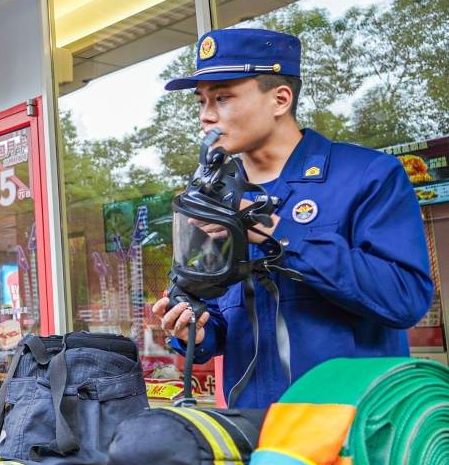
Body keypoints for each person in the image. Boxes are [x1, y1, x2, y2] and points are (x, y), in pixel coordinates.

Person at [150, 27, 434, 408]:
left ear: (280, 99)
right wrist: (194, 331)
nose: (206, 116)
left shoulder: (368, 174)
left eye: (222, 97)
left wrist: (273, 231)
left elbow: (404, 299)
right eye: (201, 102)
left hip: (350, 431)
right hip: (256, 436)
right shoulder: (214, 194)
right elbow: (215, 313)